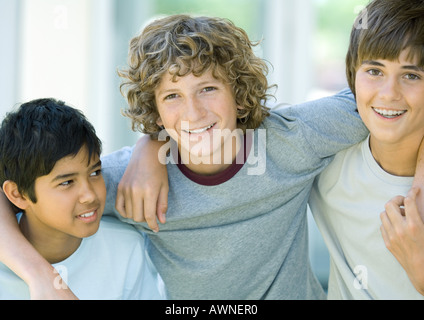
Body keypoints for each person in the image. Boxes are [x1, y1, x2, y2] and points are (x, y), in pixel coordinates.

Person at [0, 14, 423, 300]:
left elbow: (393, 101)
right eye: (172, 97)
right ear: (156, 112)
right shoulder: (126, 183)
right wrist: (42, 278)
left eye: (208, 89)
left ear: (238, 94)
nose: (195, 113)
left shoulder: (293, 140)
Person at [308, 0, 424, 299]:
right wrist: (165, 139)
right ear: (352, 76)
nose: (389, 94)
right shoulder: (324, 161)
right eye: (374, 71)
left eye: (412, 75)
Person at [0, 99, 166, 300]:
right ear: (18, 194)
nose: (89, 195)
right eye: (67, 182)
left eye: (95, 172)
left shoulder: (125, 248)